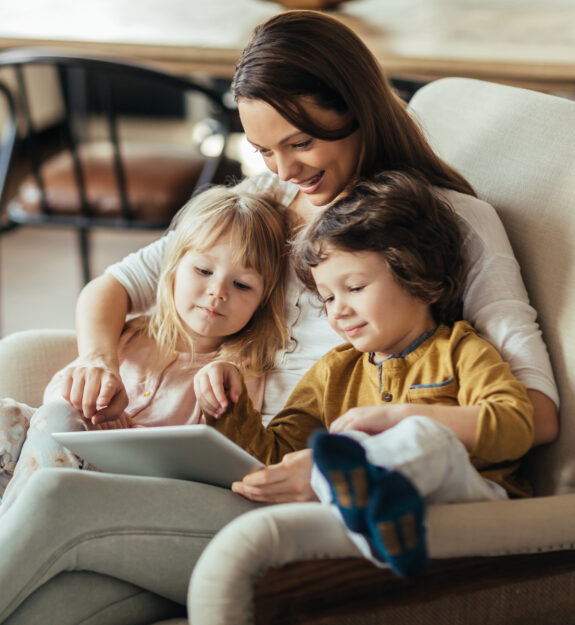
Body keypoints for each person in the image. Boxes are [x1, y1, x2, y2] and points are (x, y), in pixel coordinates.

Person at [0, 11, 559, 625]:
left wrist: (345, 457)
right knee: (54, 595)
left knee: (56, 498)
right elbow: (117, 286)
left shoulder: (456, 223)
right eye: (264, 150)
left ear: (356, 107)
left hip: (309, 495)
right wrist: (97, 357)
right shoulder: (265, 202)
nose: (285, 170)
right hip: (223, 463)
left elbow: (538, 411)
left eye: (299, 143)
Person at [0, 185, 289, 527]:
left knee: (58, 422)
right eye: (203, 271)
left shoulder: (234, 372)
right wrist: (85, 398)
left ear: (262, 301)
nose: (218, 291)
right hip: (46, 468)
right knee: (2, 416)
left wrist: (121, 433)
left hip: (116, 494)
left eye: (242, 285)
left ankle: (3, 541)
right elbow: (60, 395)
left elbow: (202, 460)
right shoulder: (131, 333)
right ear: (173, 269)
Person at [204, 170, 534, 578]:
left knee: (422, 437)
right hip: (376, 531)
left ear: (416, 276)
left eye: (355, 288)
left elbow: (518, 425)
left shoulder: (461, 350)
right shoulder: (332, 371)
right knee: (324, 457)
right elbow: (277, 456)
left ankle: (370, 500)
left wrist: (400, 416)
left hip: (472, 506)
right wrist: (229, 405)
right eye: (327, 297)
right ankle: (378, 524)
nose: (337, 310)